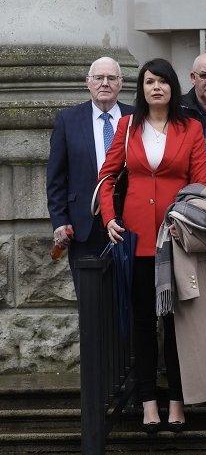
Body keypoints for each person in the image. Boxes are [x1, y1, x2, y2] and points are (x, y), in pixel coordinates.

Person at [97, 58, 206, 433]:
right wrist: (110, 219)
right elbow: (108, 177)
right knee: (143, 325)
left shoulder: (190, 127)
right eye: (149, 82)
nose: (156, 87)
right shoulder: (129, 126)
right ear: (141, 89)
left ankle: (177, 402)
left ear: (173, 87)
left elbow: (201, 185)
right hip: (137, 240)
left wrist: (188, 222)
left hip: (176, 242)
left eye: (162, 81)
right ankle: (149, 403)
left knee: (177, 325)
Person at [47, 57, 133, 295]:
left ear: (121, 83)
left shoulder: (137, 118)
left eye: (111, 78)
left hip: (129, 220)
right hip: (84, 224)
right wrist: (59, 221)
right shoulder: (68, 120)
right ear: (88, 82)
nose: (105, 83)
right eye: (99, 78)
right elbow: (56, 177)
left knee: (130, 300)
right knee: (90, 301)